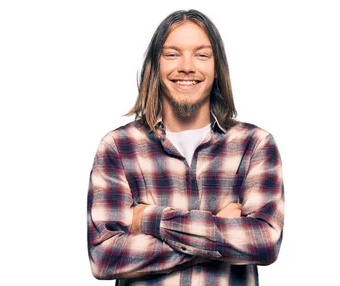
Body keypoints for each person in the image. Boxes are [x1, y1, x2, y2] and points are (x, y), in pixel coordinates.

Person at [87, 9, 284, 285]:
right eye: (172, 54)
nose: (187, 67)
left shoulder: (254, 145)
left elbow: (264, 242)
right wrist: (221, 233)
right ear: (155, 67)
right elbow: (105, 257)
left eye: (201, 54)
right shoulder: (119, 147)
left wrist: (148, 219)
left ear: (217, 70)